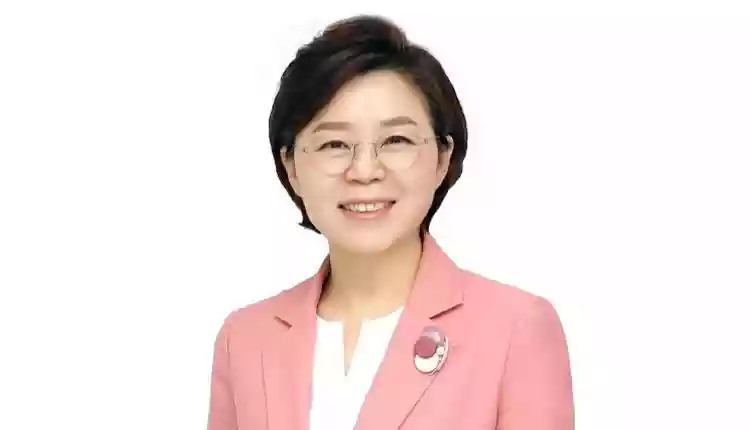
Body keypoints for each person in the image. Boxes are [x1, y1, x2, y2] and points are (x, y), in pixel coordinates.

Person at [207, 14, 574, 430]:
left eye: (396, 140)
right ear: (291, 167)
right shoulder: (245, 339)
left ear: (442, 158)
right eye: (334, 144)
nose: (365, 171)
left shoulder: (516, 329)